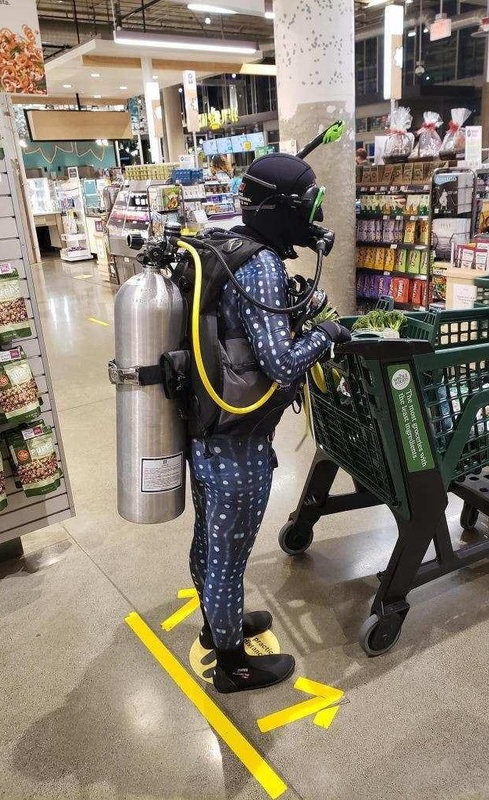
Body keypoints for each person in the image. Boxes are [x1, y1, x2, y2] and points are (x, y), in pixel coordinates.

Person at [187, 153, 352, 693]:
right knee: (229, 556)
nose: (313, 216)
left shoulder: (227, 246)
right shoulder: (259, 266)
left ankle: (219, 625)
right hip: (238, 443)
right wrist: (327, 335)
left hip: (208, 432)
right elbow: (281, 364)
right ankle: (233, 664)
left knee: (210, 542)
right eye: (309, 204)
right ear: (282, 208)